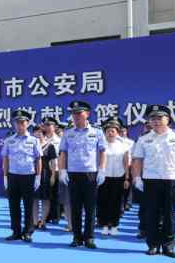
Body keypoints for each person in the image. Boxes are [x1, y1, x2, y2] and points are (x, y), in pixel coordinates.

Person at [132, 105, 175, 258]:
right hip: (151, 181)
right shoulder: (144, 139)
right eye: (153, 118)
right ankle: (152, 245)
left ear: (168, 119)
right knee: (151, 214)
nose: (156, 121)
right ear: (149, 121)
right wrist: (137, 177)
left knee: (169, 214)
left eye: (160, 117)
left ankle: (168, 246)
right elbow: (137, 160)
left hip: (171, 179)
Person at [58, 101, 107, 249]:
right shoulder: (68, 133)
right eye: (74, 113)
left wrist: (102, 169)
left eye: (79, 113)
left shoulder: (97, 132)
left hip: (90, 174)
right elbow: (63, 153)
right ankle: (77, 237)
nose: (76, 116)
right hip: (73, 174)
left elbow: (102, 151)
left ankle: (89, 237)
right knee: (75, 207)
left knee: (90, 208)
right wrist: (62, 170)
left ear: (87, 114)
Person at [2, 110, 42, 243]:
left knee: (28, 205)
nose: (19, 125)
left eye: (22, 122)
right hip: (13, 176)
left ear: (28, 123)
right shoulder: (9, 140)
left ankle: (28, 232)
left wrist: (38, 176)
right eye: (17, 123)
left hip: (29, 176)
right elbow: (6, 159)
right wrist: (5, 176)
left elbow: (38, 159)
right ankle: (16, 231)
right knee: (14, 205)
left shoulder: (34, 140)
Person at [96, 117, 130, 236]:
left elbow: (126, 163)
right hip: (104, 177)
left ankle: (115, 225)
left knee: (116, 202)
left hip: (119, 177)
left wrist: (127, 178)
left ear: (117, 132)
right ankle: (104, 224)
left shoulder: (123, 145)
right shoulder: (100, 145)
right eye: (108, 131)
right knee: (103, 201)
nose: (110, 133)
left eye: (113, 131)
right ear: (104, 132)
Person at [32, 126, 57, 231]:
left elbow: (53, 163)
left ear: (44, 134)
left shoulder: (50, 146)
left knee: (45, 199)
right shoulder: (31, 145)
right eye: (35, 133)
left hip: (46, 174)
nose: (38, 134)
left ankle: (43, 221)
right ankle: (34, 221)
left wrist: (53, 175)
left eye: (40, 133)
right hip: (33, 174)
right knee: (34, 199)